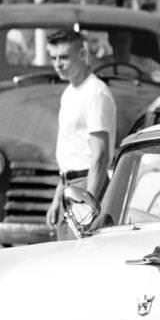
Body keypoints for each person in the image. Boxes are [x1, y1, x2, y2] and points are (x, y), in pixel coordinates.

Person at [45, 27, 116, 238]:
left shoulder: (96, 92)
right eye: (53, 58)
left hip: (87, 184)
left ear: (83, 55)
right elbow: (69, 152)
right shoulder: (69, 93)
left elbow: (100, 156)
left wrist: (89, 204)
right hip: (69, 185)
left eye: (64, 57)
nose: (58, 64)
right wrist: (57, 199)